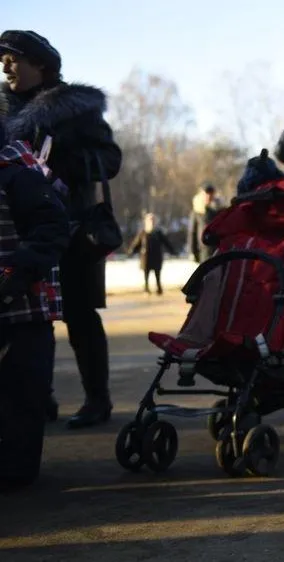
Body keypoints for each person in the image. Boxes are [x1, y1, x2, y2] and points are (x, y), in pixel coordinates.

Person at [0, 30, 122, 429]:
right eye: (2, 59)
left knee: (79, 313)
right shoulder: (1, 109)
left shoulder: (75, 108)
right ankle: (39, 399)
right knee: (24, 318)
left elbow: (110, 158)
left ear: (41, 65)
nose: (5, 66)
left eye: (13, 58)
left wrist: (66, 161)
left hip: (72, 226)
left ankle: (97, 399)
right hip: (17, 229)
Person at [0, 131, 70, 491]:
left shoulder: (16, 171)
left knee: (22, 392)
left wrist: (18, 271)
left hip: (23, 308)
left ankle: (15, 470)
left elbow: (52, 227)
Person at [127, 213, 177, 295]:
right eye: (150, 220)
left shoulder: (158, 233)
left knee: (157, 273)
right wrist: (131, 251)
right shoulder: (143, 233)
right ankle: (146, 289)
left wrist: (173, 251)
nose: (151, 222)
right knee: (146, 274)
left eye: (153, 221)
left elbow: (166, 243)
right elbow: (136, 244)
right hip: (146, 257)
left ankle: (159, 288)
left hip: (156, 257)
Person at [188, 183, 223, 263]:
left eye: (211, 194)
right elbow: (192, 232)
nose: (209, 196)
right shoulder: (197, 212)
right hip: (203, 251)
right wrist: (192, 252)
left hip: (218, 250)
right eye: (206, 194)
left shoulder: (219, 210)